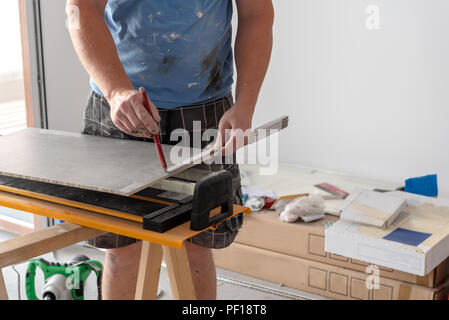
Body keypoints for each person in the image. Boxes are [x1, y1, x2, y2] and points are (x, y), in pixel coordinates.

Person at [67, 0, 274, 300]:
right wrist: (115, 91)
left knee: (198, 248)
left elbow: (257, 14)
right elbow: (80, 8)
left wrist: (246, 105)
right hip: (121, 105)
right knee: (121, 251)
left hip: (204, 107)